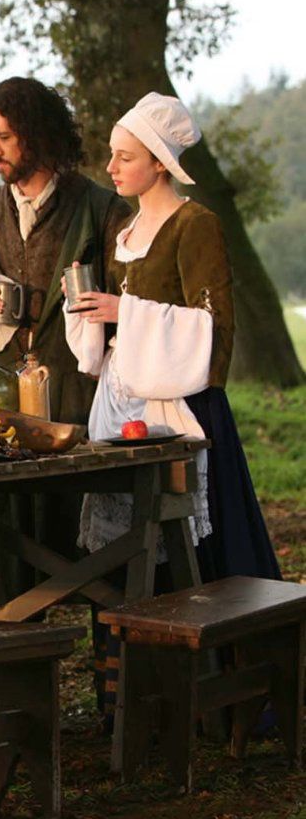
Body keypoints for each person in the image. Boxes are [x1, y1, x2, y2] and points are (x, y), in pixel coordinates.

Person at [65, 92, 280, 584]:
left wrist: (125, 311)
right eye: (112, 155)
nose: (111, 167)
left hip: (182, 403)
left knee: (191, 536)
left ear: (160, 162)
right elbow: (119, 325)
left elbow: (213, 323)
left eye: (125, 157)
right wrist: (87, 306)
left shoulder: (195, 224)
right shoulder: (126, 230)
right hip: (120, 401)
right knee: (125, 532)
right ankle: (128, 629)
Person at [0, 77, 130, 608]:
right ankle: (13, 644)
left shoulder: (100, 208)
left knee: (87, 541)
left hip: (78, 394)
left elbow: (127, 295)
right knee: (5, 538)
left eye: (4, 137)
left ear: (38, 133)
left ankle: (105, 641)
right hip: (4, 399)